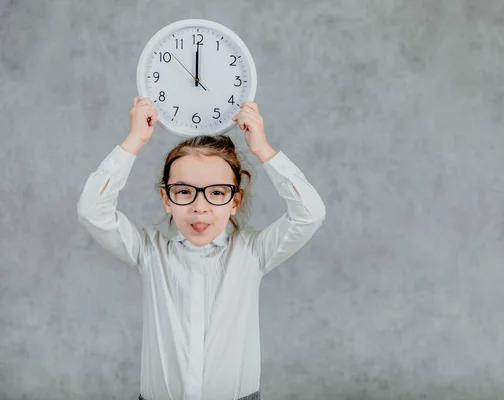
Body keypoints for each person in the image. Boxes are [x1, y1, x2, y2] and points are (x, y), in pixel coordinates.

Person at [76, 97, 326, 400]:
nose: (200, 207)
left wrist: (262, 149)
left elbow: (310, 213)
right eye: (183, 191)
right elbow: (92, 209)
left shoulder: (253, 252)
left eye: (217, 192)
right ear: (166, 199)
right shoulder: (148, 249)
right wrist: (135, 140)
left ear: (235, 201)